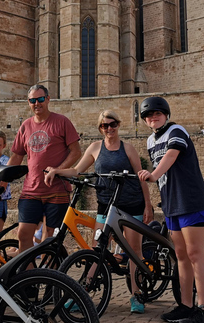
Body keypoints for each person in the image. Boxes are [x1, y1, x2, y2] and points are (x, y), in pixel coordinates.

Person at [45, 109, 153, 314]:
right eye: (105, 125)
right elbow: (77, 170)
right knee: (97, 250)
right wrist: (57, 170)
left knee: (134, 251)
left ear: (118, 125)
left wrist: (148, 204)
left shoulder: (128, 149)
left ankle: (135, 294)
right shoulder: (95, 148)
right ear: (100, 128)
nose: (109, 128)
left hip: (131, 204)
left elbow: (141, 178)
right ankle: (83, 293)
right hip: (106, 204)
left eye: (113, 124)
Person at [137, 97, 204, 323]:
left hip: (190, 200)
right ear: (145, 121)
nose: (153, 117)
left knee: (194, 254)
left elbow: (171, 156)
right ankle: (186, 306)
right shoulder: (151, 141)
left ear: (166, 113)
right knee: (179, 256)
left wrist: (152, 175)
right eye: (148, 115)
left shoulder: (176, 130)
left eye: (158, 113)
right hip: (171, 204)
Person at [7, 84, 82, 254]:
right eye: (32, 100)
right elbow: (17, 156)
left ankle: (50, 278)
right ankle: (30, 277)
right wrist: (2, 180)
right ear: (28, 102)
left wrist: (58, 169)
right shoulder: (25, 126)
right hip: (30, 190)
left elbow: (76, 152)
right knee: (24, 234)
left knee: (50, 238)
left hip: (57, 190)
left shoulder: (61, 121)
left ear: (48, 99)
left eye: (40, 99)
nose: (36, 103)